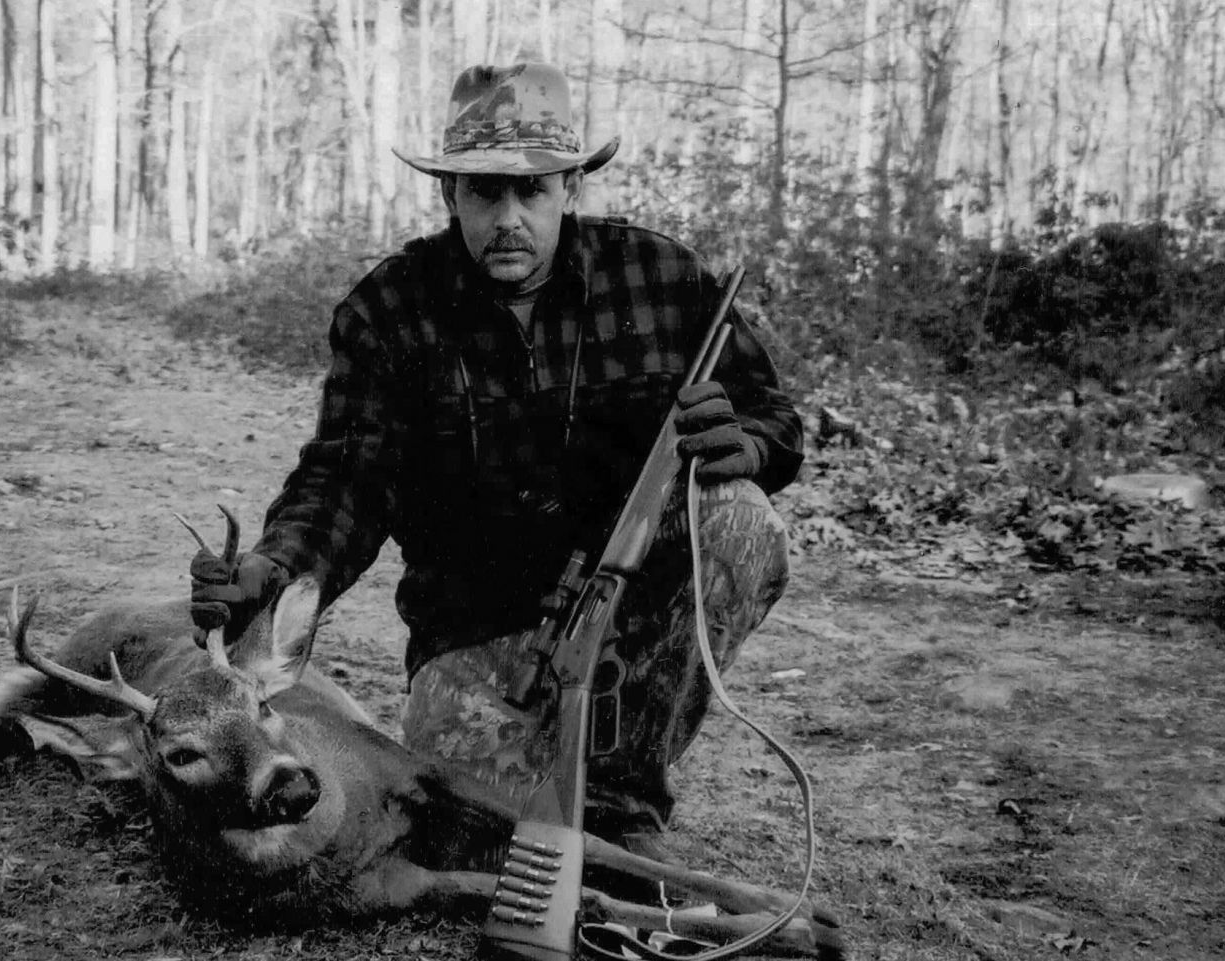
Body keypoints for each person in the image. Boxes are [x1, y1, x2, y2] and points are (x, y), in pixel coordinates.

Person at [190, 62, 803, 862]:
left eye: (533, 192)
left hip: (631, 608)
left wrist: (749, 442)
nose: (507, 217)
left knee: (741, 522)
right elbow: (345, 481)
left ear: (572, 188)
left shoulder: (661, 277)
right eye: (483, 192)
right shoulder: (389, 310)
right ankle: (554, 782)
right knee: (460, 832)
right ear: (450, 196)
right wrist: (270, 574)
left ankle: (624, 796)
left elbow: (772, 417)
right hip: (475, 636)